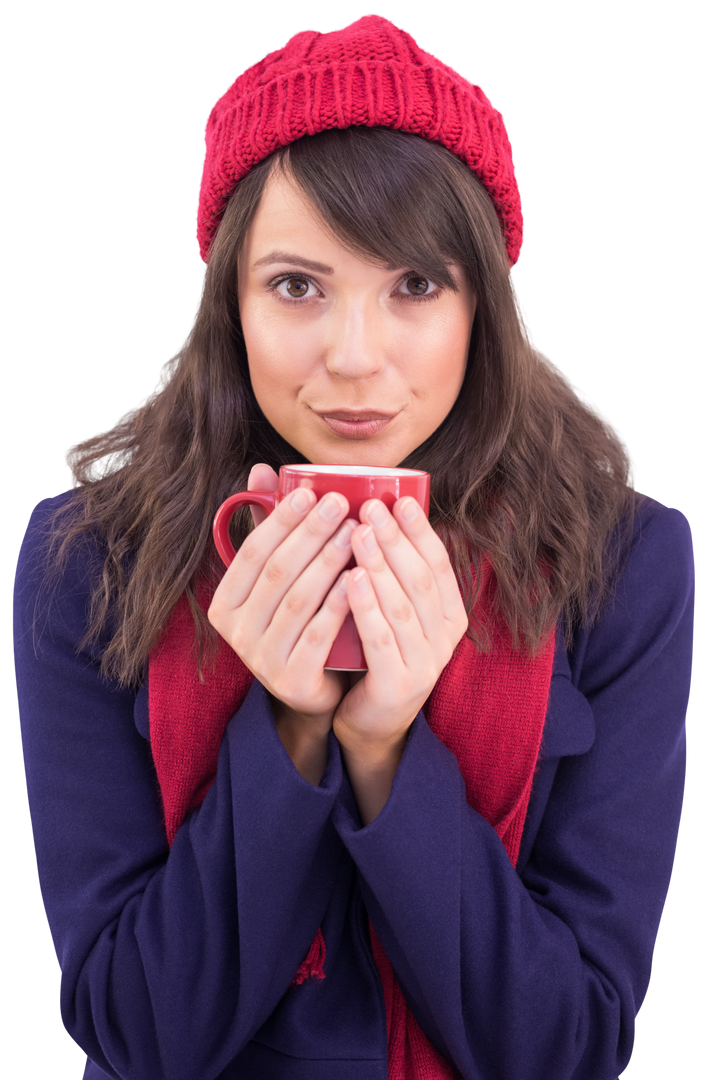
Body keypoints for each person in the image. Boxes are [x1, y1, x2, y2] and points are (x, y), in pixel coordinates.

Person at [11, 11, 695, 1080]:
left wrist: (383, 753)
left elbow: (571, 1046)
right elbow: (135, 1032)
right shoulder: (87, 554)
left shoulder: (624, 562)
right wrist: (286, 729)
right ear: (229, 305)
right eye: (297, 286)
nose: (355, 359)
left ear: (485, 304)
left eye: (415, 285)